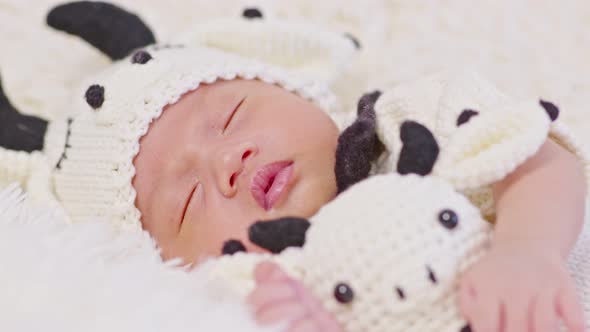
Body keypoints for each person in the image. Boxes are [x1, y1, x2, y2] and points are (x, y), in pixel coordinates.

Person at [0, 2, 586, 332]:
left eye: (231, 116)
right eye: (185, 201)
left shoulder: (404, 121)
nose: (226, 163)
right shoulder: (253, 294)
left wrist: (525, 250)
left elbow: (537, 158)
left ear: (297, 88)